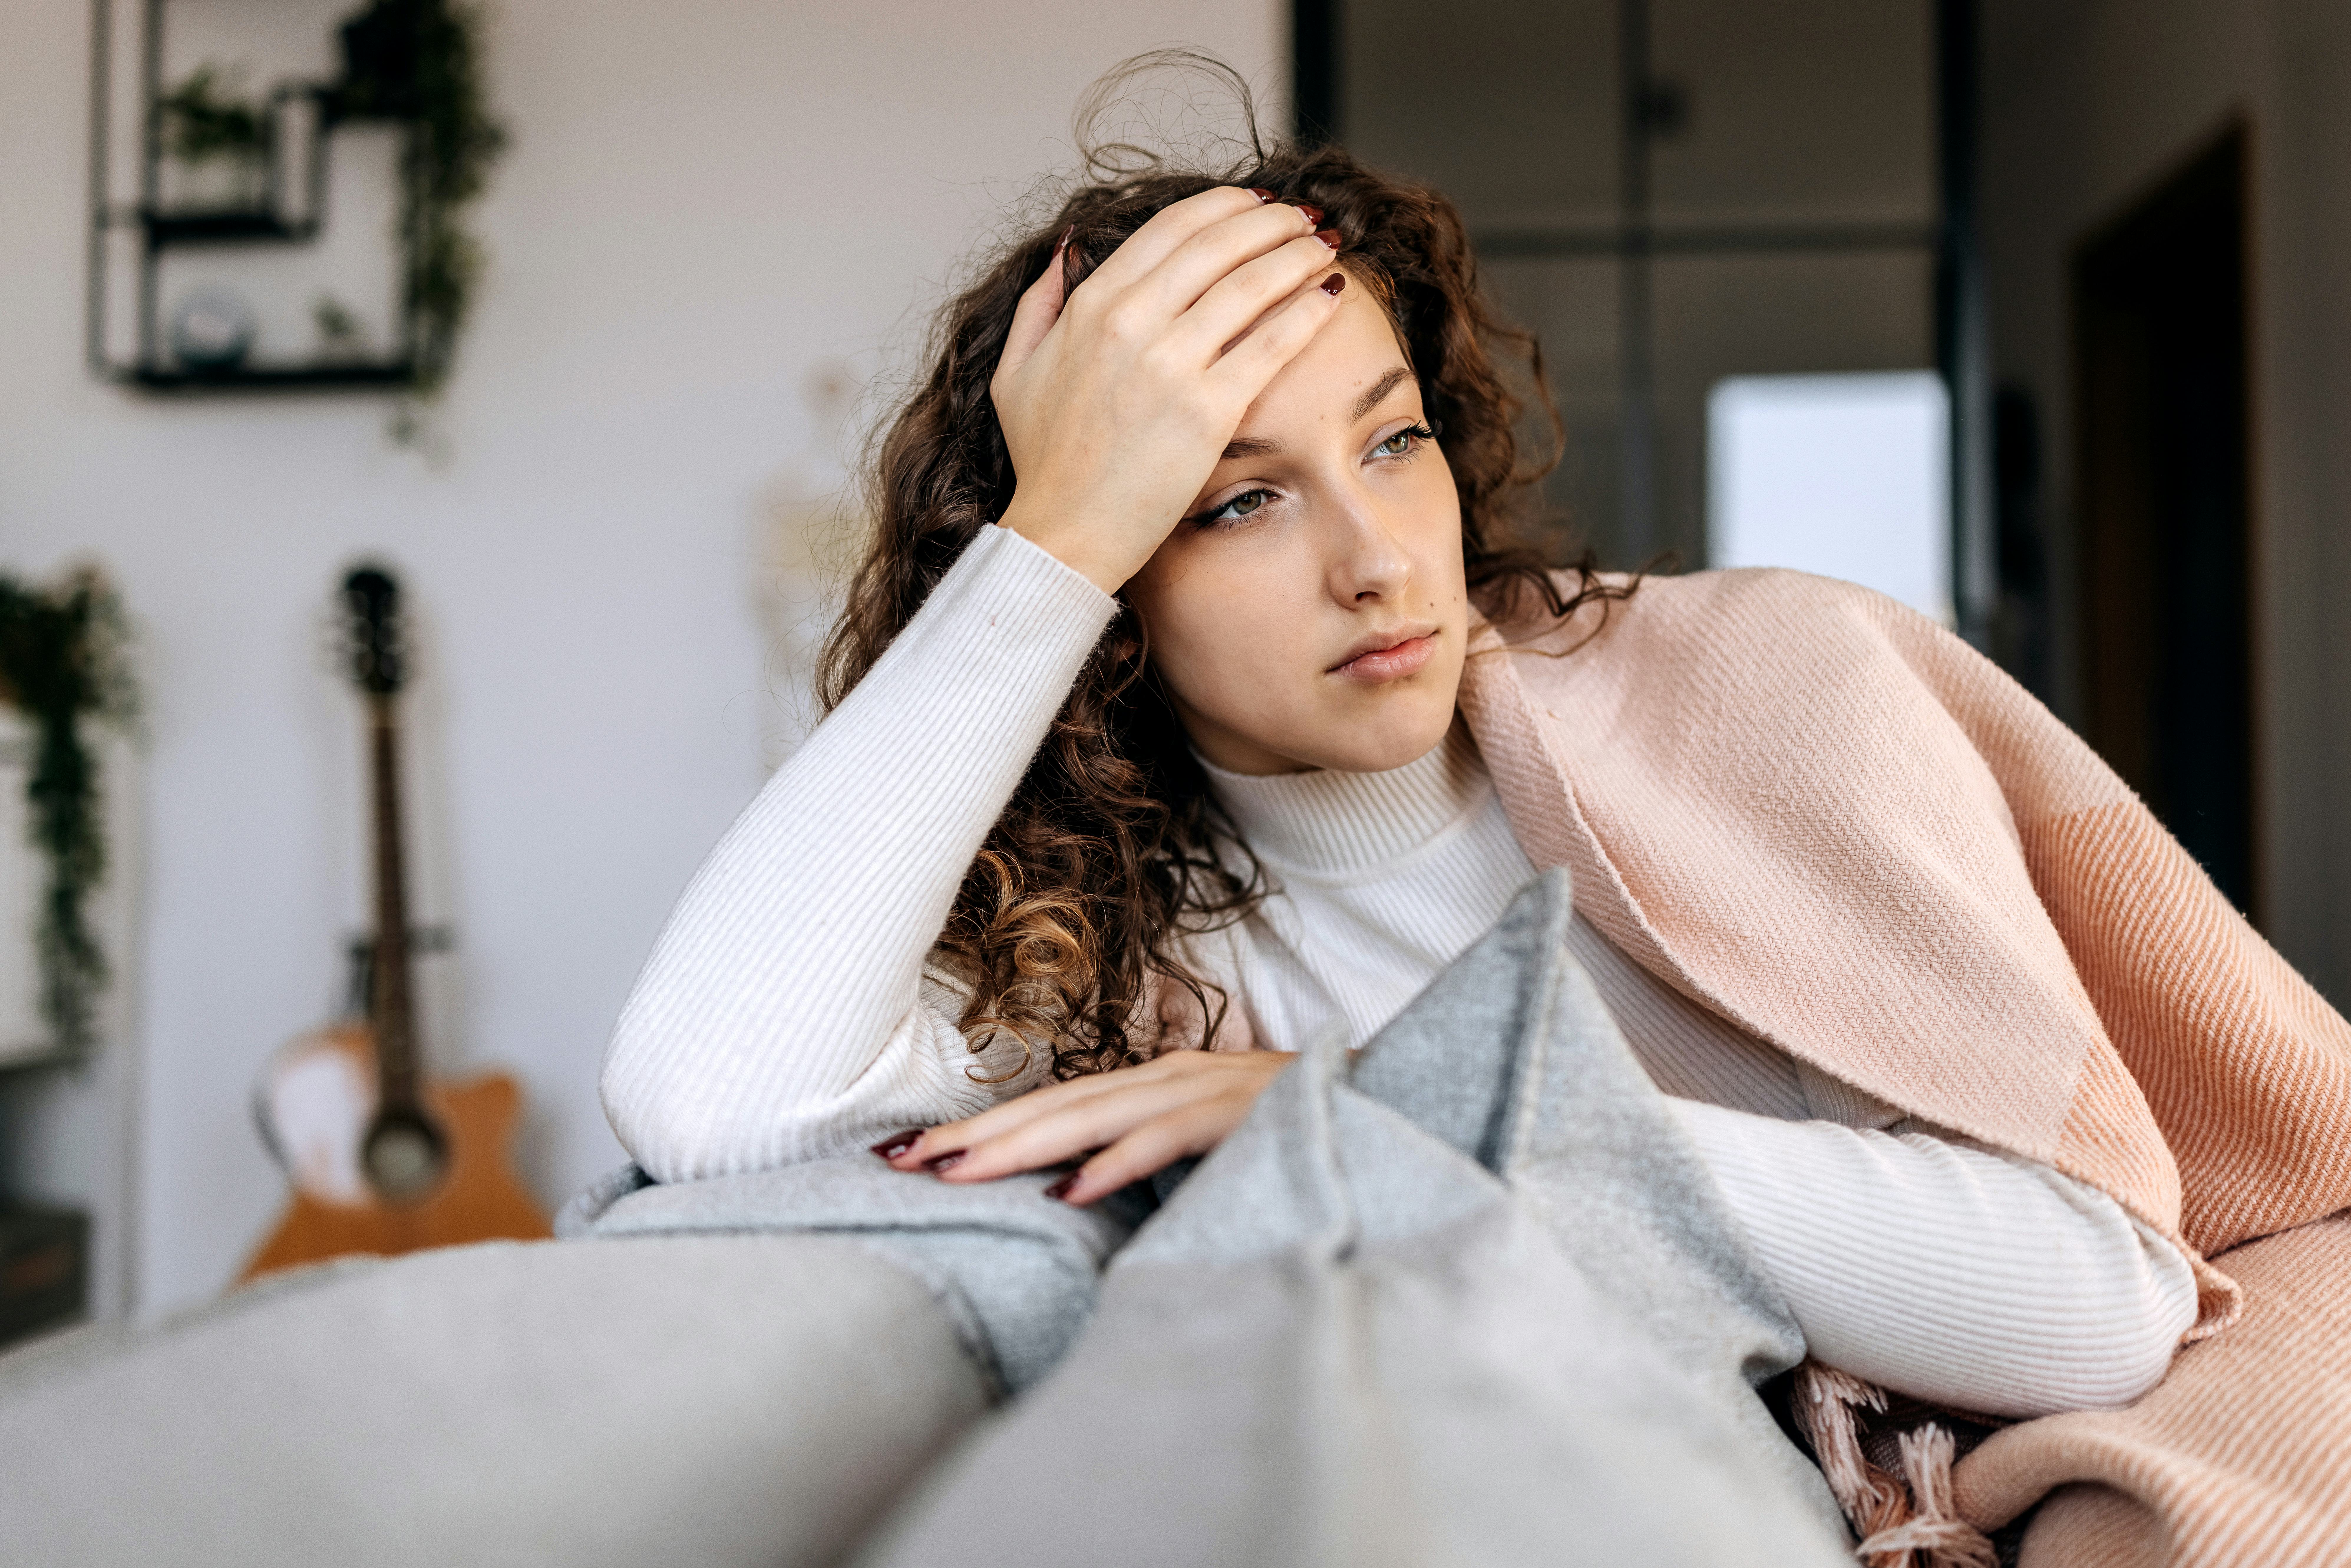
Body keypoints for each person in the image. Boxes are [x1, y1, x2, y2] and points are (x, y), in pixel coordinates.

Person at [596, 92, 2197, 1426]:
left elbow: (2099, 1301)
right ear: (1115, 601)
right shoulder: (1130, 962)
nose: (1377, 562)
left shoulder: (1768, 696)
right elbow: (711, 1107)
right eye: (1237, 500)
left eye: (1391, 438)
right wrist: (1055, 530)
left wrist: (1393, 1111)